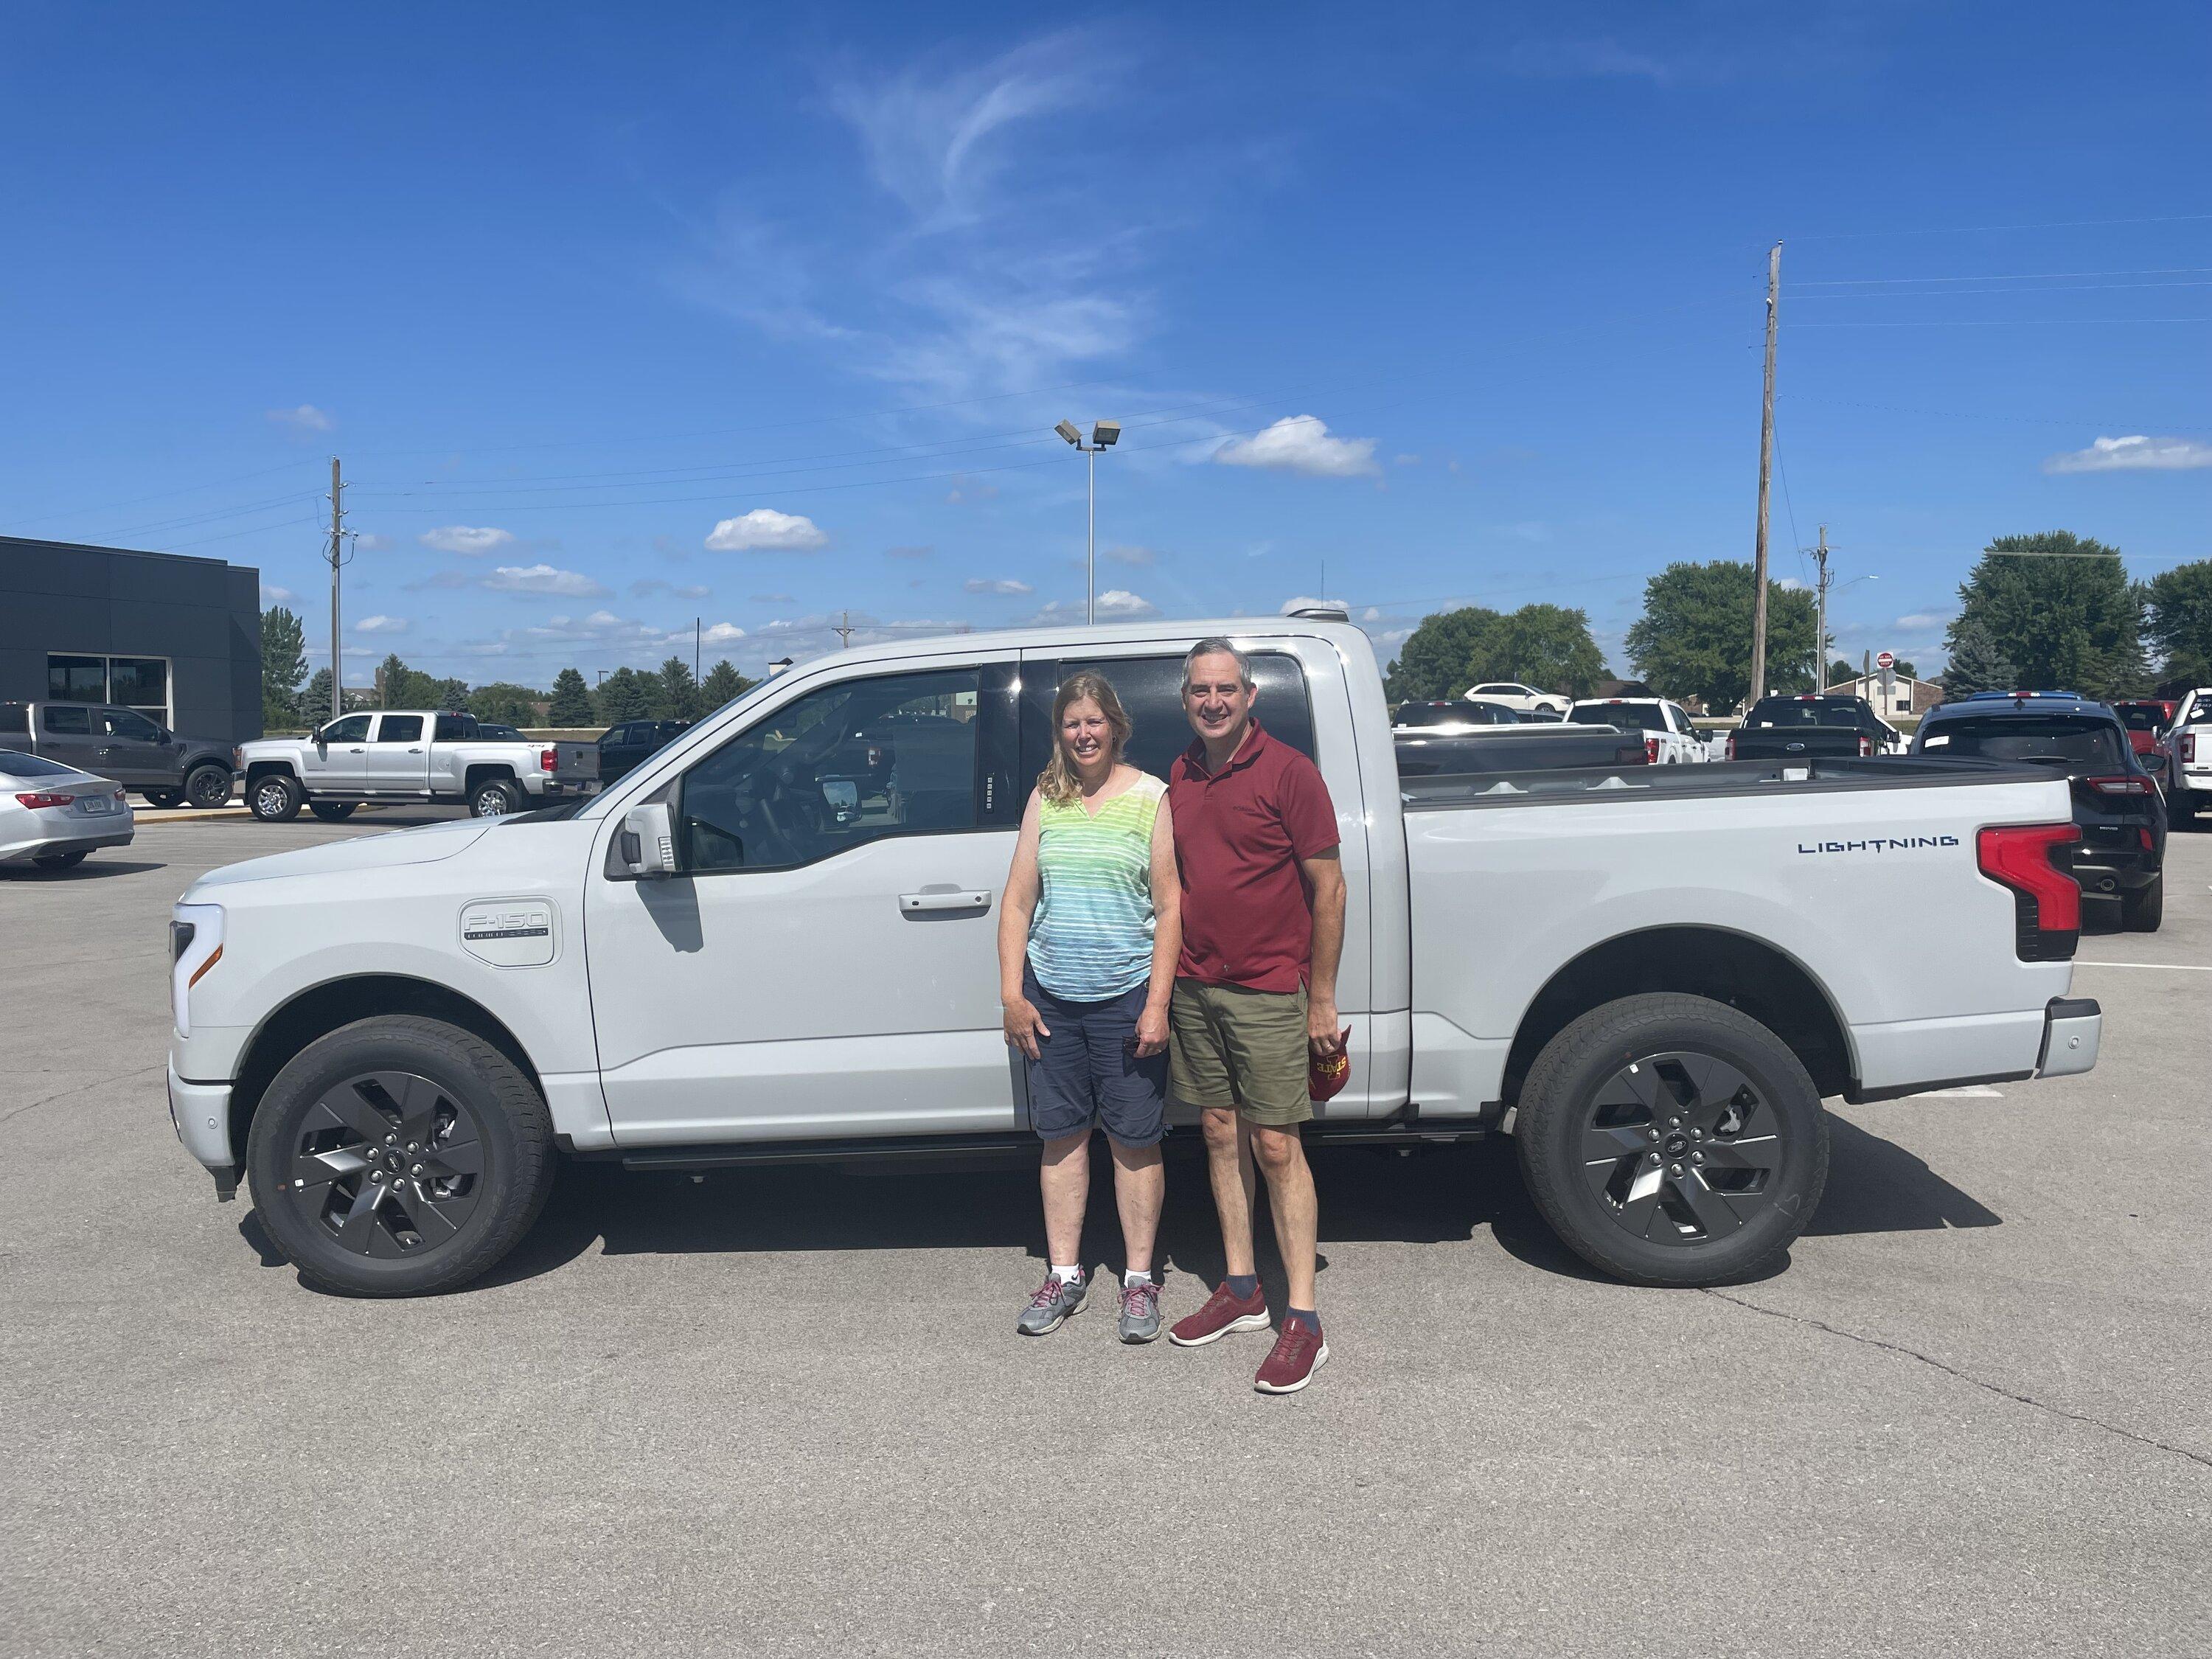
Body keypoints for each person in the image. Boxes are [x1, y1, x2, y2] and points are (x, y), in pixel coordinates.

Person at [1164, 639, 1346, 1394]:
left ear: (1249, 697)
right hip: (1196, 985)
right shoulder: (1179, 773)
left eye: (1226, 690)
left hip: (1272, 988)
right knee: (1216, 1132)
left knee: (1276, 1143)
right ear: (1187, 700)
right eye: (1201, 691)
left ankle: (1302, 1317)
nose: (1213, 702)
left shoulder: (1290, 773)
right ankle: (1242, 1287)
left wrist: (1323, 997)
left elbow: (1328, 888)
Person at [998, 671, 1182, 1343]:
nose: (1084, 733)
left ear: (1116, 726)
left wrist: (1157, 1002)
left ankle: (1139, 1282)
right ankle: (1065, 1273)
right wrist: (1012, 994)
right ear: (1061, 732)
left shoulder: (1151, 798)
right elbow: (1017, 901)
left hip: (1127, 997)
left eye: (1095, 721)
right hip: (1051, 1000)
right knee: (1063, 1137)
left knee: (1135, 1141)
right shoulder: (1045, 798)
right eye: (1072, 723)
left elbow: (1169, 907)